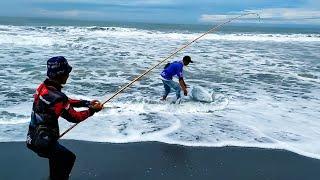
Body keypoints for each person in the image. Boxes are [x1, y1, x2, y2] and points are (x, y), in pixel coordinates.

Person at [26, 56, 103, 180]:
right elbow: (74, 117)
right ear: (61, 74)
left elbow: (65, 101)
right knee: (68, 158)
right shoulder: (58, 98)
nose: (68, 75)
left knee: (56, 159)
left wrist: (86, 103)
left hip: (32, 138)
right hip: (45, 143)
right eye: (67, 73)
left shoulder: (42, 88)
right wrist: (92, 111)